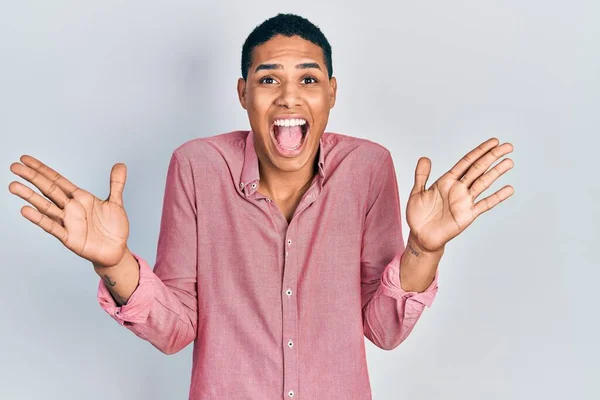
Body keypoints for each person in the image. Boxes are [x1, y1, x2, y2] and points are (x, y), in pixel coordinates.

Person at [7, 13, 514, 400]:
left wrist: (425, 249)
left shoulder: (368, 168)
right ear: (243, 93)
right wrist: (112, 262)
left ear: (332, 93)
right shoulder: (197, 167)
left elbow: (382, 328)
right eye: (269, 79)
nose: (290, 97)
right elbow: (176, 329)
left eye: (309, 80)